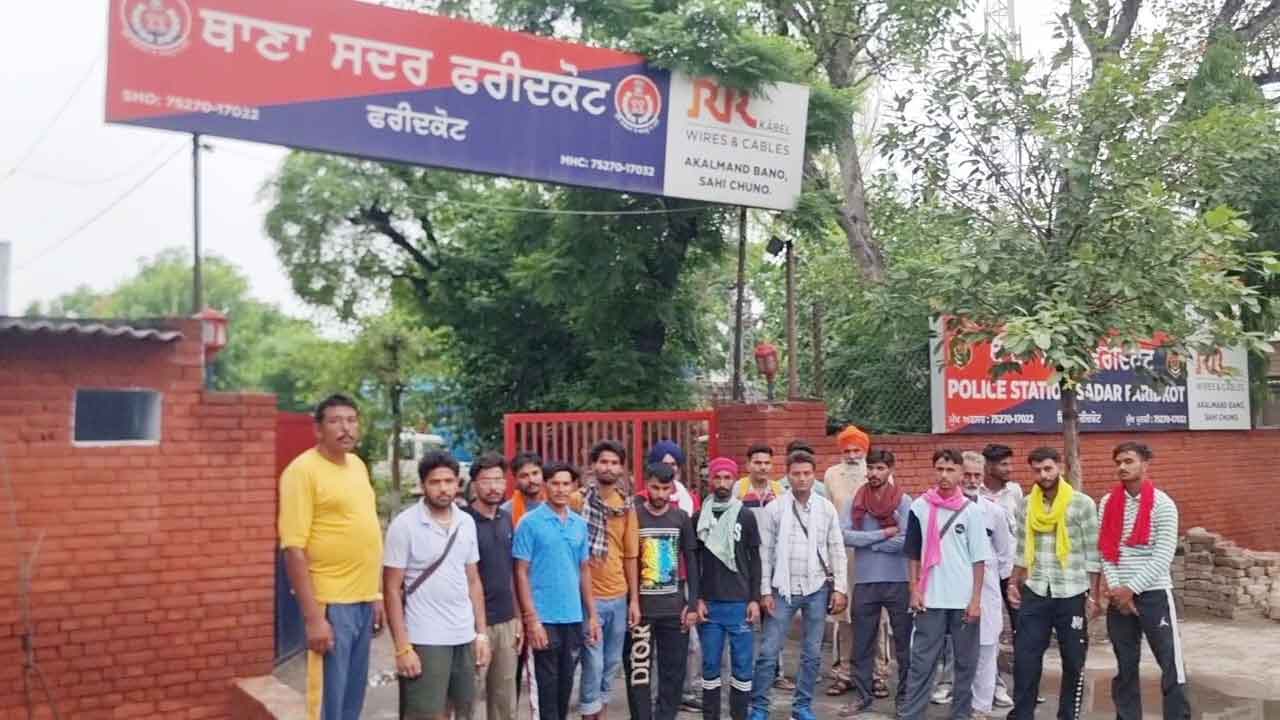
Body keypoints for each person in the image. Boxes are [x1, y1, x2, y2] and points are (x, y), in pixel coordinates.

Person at [278, 394, 385, 720]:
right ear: (318, 429)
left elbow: (367, 532)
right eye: (336, 421)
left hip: (363, 600)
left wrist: (376, 593)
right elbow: (293, 548)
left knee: (353, 697)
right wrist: (313, 619)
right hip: (330, 603)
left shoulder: (357, 466)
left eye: (352, 420)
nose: (346, 428)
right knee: (328, 702)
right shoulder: (302, 471)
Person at [384, 451, 490, 720]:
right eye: (435, 482)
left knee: (464, 711)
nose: (443, 488)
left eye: (449, 481)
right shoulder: (404, 525)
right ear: (423, 485)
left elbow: (473, 580)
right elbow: (392, 590)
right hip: (425, 639)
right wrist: (403, 648)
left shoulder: (466, 522)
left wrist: (481, 634)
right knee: (426, 714)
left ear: (458, 483)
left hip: (464, 636)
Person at [749, 450, 849, 720]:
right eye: (796, 474)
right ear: (788, 476)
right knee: (769, 651)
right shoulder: (775, 508)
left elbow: (836, 549)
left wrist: (840, 587)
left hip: (817, 588)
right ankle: (759, 708)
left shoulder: (825, 508)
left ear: (813, 475)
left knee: (813, 654)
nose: (802, 479)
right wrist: (765, 591)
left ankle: (802, 707)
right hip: (782, 589)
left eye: (807, 474)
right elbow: (764, 553)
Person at [1007, 447, 1101, 720]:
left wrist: (1094, 596)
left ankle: (1068, 715)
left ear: (1059, 467)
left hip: (1071, 591)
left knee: (1073, 660)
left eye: (1048, 468)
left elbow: (1093, 553)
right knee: (1025, 659)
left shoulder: (1081, 503)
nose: (1043, 475)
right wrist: (1014, 581)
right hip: (1036, 590)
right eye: (1037, 470)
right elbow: (1023, 548)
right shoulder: (1026, 504)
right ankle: (1023, 714)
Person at [1100, 443, 1189, 720]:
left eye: (1129, 461)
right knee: (1125, 665)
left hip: (1154, 595)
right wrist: (1118, 591)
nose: (1122, 467)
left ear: (1144, 465)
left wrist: (1131, 589)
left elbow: (1163, 556)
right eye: (1118, 462)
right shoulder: (1107, 503)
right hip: (1119, 597)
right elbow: (1106, 548)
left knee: (1171, 664)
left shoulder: (1163, 504)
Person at [901, 448, 991, 720]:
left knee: (965, 664)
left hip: (963, 599)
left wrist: (976, 601)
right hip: (930, 599)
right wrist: (914, 590)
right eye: (939, 469)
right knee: (922, 663)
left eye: (950, 470)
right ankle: (912, 715)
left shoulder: (972, 512)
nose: (944, 475)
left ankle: (960, 715)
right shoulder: (919, 507)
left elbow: (979, 560)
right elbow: (913, 554)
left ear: (961, 474)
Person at [513, 462, 602, 720]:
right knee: (545, 691)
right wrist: (532, 620)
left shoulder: (579, 524)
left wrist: (592, 615)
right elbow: (521, 572)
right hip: (544, 619)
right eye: (555, 483)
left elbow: (584, 571)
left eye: (566, 484)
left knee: (565, 688)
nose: (561, 489)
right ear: (545, 486)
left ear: (574, 487)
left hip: (573, 617)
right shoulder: (529, 523)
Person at [836, 448, 913, 717]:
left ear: (891, 469)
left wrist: (873, 544)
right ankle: (862, 696)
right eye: (871, 468)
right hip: (865, 581)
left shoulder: (903, 501)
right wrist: (883, 534)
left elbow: (907, 540)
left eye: (880, 468)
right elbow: (845, 535)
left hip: (900, 581)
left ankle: (904, 698)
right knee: (862, 643)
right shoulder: (856, 501)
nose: (873, 473)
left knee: (904, 644)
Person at [625, 462, 701, 720]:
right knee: (639, 675)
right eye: (655, 487)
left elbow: (691, 561)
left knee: (673, 673)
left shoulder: (680, 518)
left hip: (674, 610)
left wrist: (691, 604)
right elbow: (628, 560)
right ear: (646, 485)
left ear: (673, 489)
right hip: (642, 612)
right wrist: (630, 602)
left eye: (665, 489)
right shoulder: (634, 514)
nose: (659, 494)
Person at [572, 440, 641, 720]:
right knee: (593, 662)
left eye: (614, 462)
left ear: (621, 468)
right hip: (589, 596)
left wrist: (634, 600)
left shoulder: (626, 506)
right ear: (593, 466)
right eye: (603, 462)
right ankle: (590, 712)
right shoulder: (578, 501)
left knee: (612, 663)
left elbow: (630, 555)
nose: (608, 467)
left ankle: (598, 710)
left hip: (619, 597)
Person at [695, 457, 763, 720]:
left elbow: (755, 560)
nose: (722, 483)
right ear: (709, 480)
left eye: (727, 477)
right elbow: (694, 561)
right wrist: (697, 599)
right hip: (710, 603)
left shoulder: (745, 515)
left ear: (734, 480)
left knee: (743, 668)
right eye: (717, 477)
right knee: (710, 667)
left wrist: (754, 599)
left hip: (739, 601)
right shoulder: (698, 517)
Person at [463, 452, 522, 720]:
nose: (494, 486)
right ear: (474, 484)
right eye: (487, 480)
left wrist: (519, 618)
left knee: (504, 701)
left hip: (506, 621)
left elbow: (512, 572)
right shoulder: (463, 522)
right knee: (467, 697)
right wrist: (477, 628)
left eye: (499, 479)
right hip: (473, 624)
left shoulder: (506, 519)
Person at [733, 443, 794, 692]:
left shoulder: (779, 491)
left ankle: (776, 672)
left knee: (774, 617)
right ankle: (743, 671)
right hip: (744, 563)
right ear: (748, 465)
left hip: (772, 562)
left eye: (767, 463)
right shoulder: (739, 488)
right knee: (745, 618)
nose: (762, 467)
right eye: (757, 462)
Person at [961, 452, 1014, 719]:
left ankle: (981, 708)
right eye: (966, 475)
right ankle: (961, 704)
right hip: (954, 589)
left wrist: (992, 578)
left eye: (976, 476)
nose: (971, 480)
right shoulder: (944, 508)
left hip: (988, 590)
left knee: (986, 649)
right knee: (959, 650)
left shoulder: (993, 511)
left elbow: (1005, 554)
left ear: (983, 478)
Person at [824, 425, 871, 694]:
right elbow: (829, 515)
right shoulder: (832, 475)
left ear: (865, 451)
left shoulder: (876, 472)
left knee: (878, 614)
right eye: (847, 450)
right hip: (842, 553)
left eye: (857, 450)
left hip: (872, 554)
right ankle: (843, 673)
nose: (852, 455)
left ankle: (877, 672)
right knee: (843, 614)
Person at [502, 451, 545, 528]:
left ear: (542, 474)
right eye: (524, 476)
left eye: (535, 473)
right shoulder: (506, 511)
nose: (531, 480)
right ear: (515, 479)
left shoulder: (556, 504)